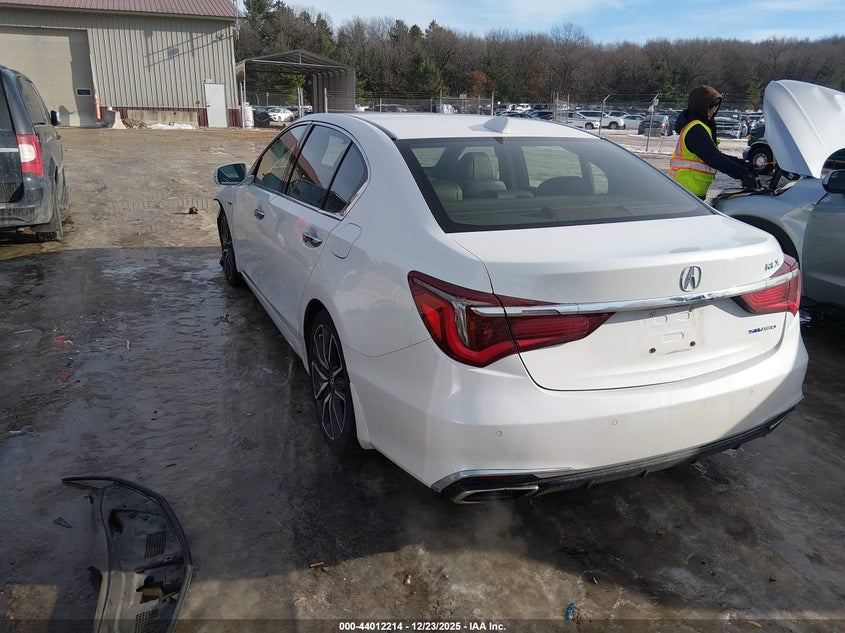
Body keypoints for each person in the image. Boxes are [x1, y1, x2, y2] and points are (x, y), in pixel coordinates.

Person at [669, 85, 758, 199]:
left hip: (689, 190)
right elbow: (714, 158)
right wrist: (741, 174)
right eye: (710, 108)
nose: (712, 112)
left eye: (715, 109)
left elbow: (715, 154)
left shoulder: (700, 126)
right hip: (684, 191)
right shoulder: (695, 130)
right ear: (701, 106)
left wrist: (744, 165)